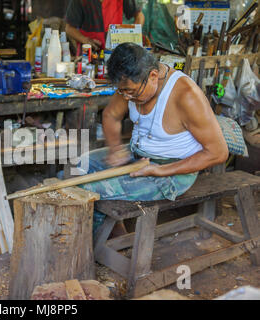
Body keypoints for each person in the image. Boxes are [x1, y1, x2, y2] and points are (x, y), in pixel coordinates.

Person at [76, 43, 228, 235]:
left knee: (89, 190)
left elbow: (218, 153)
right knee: (79, 165)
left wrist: (160, 170)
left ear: (153, 76)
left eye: (131, 92)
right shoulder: (131, 83)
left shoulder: (186, 95)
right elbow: (111, 115)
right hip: (137, 157)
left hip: (174, 172)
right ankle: (117, 237)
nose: (126, 97)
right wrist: (115, 150)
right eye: (122, 92)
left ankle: (93, 249)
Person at [65, 0, 145, 51]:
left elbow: (139, 16)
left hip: (114, 51)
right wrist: (85, 40)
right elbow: (69, 28)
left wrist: (133, 35)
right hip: (89, 52)